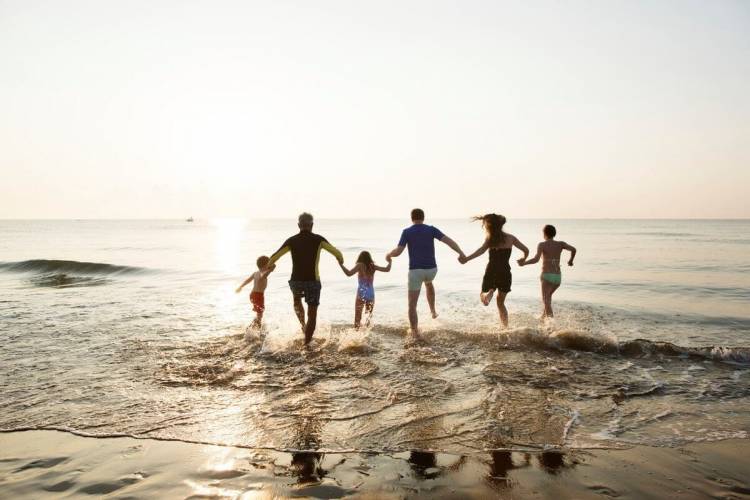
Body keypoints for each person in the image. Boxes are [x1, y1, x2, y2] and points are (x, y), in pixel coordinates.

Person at [266, 212, 344, 344]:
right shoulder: (319, 239)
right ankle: (307, 343)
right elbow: (337, 253)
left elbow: (273, 257)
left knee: (297, 301)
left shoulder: (291, 240)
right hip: (313, 282)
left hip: (296, 282)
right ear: (312, 225)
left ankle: (303, 326)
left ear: (298, 225)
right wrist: (340, 260)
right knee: (312, 314)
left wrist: (270, 265)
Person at [387, 208, 465, 339]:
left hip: (415, 271)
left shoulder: (407, 232)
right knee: (428, 283)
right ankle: (433, 311)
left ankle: (414, 332)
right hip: (432, 270)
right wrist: (461, 253)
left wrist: (388, 255)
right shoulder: (431, 229)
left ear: (412, 218)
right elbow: (449, 241)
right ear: (423, 217)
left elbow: (399, 251)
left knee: (412, 304)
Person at [460, 214, 529, 327]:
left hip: (492, 270)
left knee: (483, 296)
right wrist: (523, 259)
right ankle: (505, 328)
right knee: (501, 303)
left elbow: (480, 251)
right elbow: (526, 250)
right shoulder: (511, 238)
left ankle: (489, 292)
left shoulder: (490, 239)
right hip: (505, 271)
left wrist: (467, 259)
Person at [520, 224, 577, 318]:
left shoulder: (542, 245)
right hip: (557, 278)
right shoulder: (561, 244)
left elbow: (536, 259)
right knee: (548, 298)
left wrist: (524, 263)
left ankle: (551, 325)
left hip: (546, 276)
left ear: (544, 233)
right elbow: (573, 249)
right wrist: (571, 261)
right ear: (554, 234)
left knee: (546, 300)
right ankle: (543, 318)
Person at [339, 251, 392, 328]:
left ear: (360, 258)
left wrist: (341, 264)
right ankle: (366, 335)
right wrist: (390, 261)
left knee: (357, 318)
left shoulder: (359, 265)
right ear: (369, 258)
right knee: (368, 318)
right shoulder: (373, 266)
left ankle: (357, 335)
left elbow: (348, 273)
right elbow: (387, 269)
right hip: (371, 294)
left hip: (362, 293)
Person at [235, 255, 276, 329]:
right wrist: (270, 270)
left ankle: (254, 327)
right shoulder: (262, 273)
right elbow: (264, 276)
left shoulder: (255, 273)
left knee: (259, 313)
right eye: (269, 264)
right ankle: (253, 329)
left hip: (253, 295)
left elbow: (248, 280)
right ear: (265, 265)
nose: (270, 265)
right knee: (260, 314)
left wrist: (240, 287)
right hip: (258, 296)